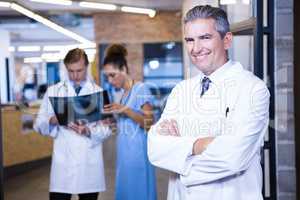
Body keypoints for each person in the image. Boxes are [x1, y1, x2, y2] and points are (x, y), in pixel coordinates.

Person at [147, 5, 270, 200]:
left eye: (205, 37)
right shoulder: (182, 90)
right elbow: (155, 148)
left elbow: (233, 158)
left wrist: (179, 155)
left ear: (227, 40)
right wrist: (199, 144)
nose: (195, 49)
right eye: (189, 40)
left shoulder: (253, 89)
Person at [34, 48, 111, 200]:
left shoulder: (99, 93)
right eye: (71, 71)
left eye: (79, 71)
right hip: (63, 162)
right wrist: (52, 120)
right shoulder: (53, 92)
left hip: (89, 161)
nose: (75, 76)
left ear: (87, 67)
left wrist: (88, 131)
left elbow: (108, 128)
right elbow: (38, 124)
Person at [102, 44, 157, 200]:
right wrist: (112, 124)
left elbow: (148, 123)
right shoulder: (121, 94)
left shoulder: (141, 89)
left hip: (138, 155)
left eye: (113, 75)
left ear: (124, 70)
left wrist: (124, 109)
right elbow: (126, 125)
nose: (110, 80)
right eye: (107, 77)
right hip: (124, 155)